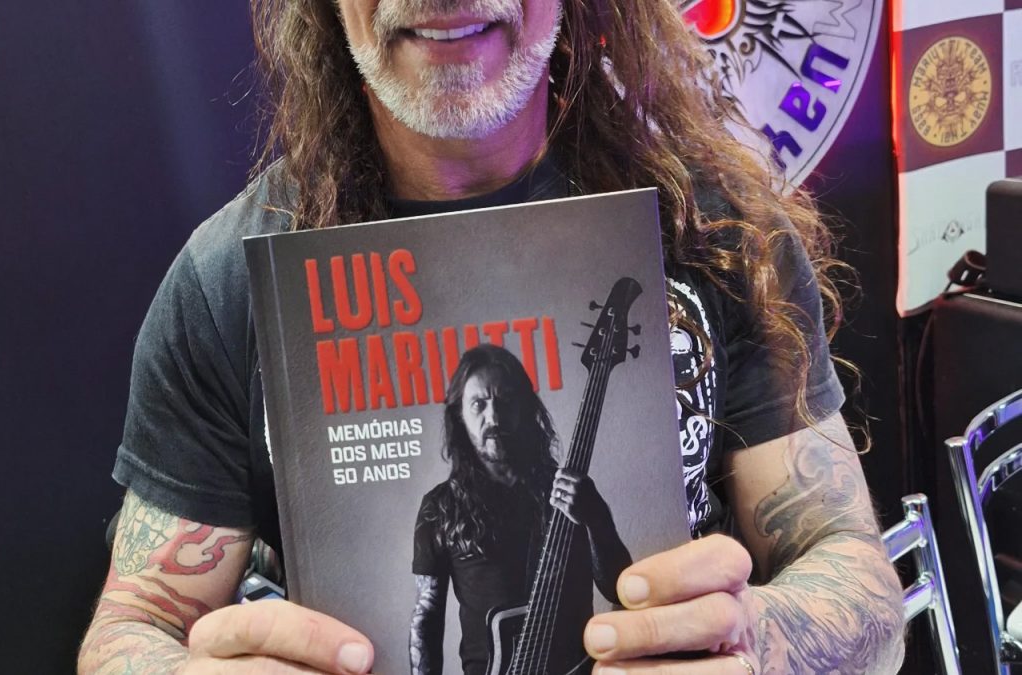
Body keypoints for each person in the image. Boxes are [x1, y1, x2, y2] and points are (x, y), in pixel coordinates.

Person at [77, 0, 906, 671]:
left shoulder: (716, 231)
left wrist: (762, 639)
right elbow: (132, 624)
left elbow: (859, 575)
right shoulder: (224, 281)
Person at [409, 344, 632, 674]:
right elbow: (427, 618)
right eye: (479, 404)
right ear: (459, 415)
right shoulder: (439, 507)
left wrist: (596, 516)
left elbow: (619, 590)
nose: (494, 418)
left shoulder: (570, 491)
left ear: (524, 408)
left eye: (505, 401)